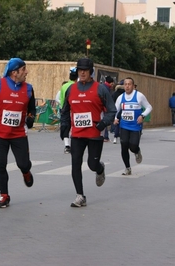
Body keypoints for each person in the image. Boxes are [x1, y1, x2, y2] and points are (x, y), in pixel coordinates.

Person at [0, 58, 36, 208]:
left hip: (19, 135)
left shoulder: (28, 88)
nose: (26, 72)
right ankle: (4, 196)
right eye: (24, 69)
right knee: (0, 165)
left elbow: (32, 110)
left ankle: (26, 172)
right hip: (0, 134)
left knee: (23, 164)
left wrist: (30, 118)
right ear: (14, 72)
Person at [60, 58, 116, 208]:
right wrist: (64, 127)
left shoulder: (100, 89)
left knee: (92, 164)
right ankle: (80, 196)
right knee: (75, 164)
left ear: (91, 72)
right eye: (80, 70)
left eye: (85, 70)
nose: (82, 72)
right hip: (77, 134)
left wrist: (103, 124)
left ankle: (100, 168)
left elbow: (112, 110)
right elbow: (65, 111)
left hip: (94, 134)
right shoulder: (71, 89)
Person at [114, 77, 152, 175]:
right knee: (124, 145)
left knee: (133, 146)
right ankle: (127, 168)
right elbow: (115, 110)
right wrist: (115, 118)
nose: (127, 86)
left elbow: (149, 107)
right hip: (124, 125)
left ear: (133, 86)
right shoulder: (120, 97)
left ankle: (137, 151)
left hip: (135, 126)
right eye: (125, 84)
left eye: (129, 84)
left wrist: (142, 116)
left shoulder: (139, 96)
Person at [59, 68, 78, 154]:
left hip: (65, 109)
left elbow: (61, 99)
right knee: (74, 127)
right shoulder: (77, 86)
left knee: (66, 127)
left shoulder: (64, 86)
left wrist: (63, 109)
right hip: (75, 110)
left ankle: (67, 145)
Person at [111, 80, 125, 144]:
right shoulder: (126, 93)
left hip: (117, 110)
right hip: (125, 110)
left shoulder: (115, 93)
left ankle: (115, 137)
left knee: (117, 123)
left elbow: (112, 101)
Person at [102, 76, 115, 142]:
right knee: (105, 121)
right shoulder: (107, 89)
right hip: (105, 108)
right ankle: (105, 136)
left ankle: (105, 136)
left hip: (102, 107)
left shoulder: (103, 86)